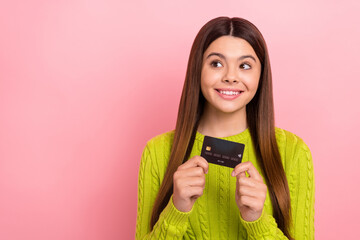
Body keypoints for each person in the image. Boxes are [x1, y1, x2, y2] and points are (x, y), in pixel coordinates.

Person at [135, 16, 315, 239]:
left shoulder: (293, 152)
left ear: (261, 75)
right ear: (198, 69)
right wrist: (177, 210)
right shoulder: (158, 151)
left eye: (245, 65)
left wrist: (257, 221)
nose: (230, 77)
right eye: (216, 63)